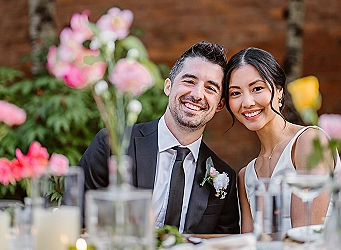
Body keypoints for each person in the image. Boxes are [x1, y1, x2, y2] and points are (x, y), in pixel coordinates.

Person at [79, 41, 240, 234]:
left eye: (210, 88)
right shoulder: (114, 143)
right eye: (189, 81)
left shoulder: (225, 177)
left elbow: (223, 245)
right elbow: (79, 218)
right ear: (168, 87)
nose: (197, 94)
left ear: (220, 104)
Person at [223, 47, 339, 233]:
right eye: (235, 93)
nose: (247, 102)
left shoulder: (308, 142)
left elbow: (305, 236)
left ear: (279, 91)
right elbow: (248, 244)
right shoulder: (245, 176)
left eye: (257, 88)